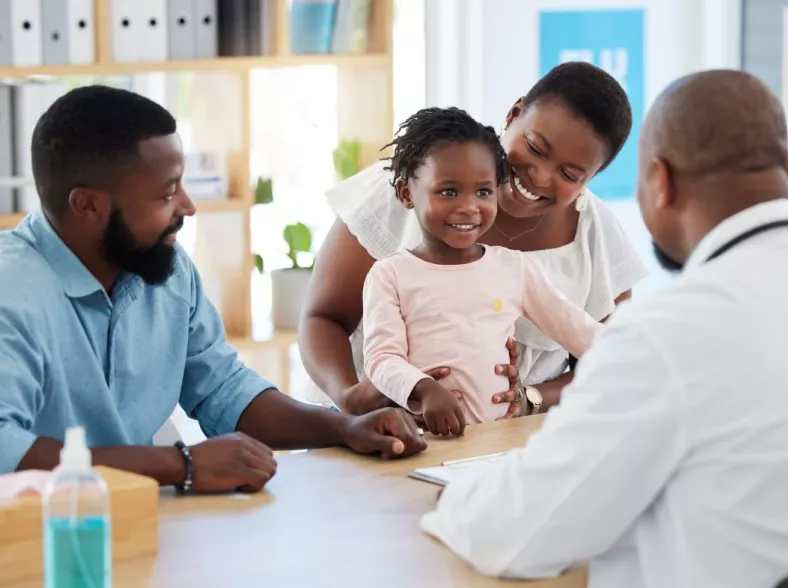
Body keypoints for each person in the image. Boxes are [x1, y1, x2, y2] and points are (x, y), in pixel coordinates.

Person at [420, 70, 788, 588]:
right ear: (787, 170)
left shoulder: (666, 333)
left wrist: (462, 498)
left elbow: (516, 537)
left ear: (659, 180)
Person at [0, 85, 427, 491]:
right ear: (88, 205)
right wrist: (181, 466)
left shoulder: (166, 270)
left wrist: (343, 426)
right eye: (167, 193)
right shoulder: (13, 289)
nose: (187, 205)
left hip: (131, 524)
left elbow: (223, 390)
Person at [299, 62, 648, 420]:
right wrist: (352, 399)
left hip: (504, 443)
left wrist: (529, 398)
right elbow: (324, 318)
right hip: (374, 431)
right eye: (535, 147)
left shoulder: (594, 235)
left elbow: (610, 358)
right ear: (514, 113)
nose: (540, 177)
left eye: (569, 174)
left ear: (592, 177)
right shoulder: (412, 183)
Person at [363, 107, 602, 437]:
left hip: (497, 443)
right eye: (448, 191)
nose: (469, 206)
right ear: (407, 194)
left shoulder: (514, 268)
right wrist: (424, 390)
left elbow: (581, 332)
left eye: (484, 191)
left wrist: (648, 353)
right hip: (422, 441)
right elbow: (381, 358)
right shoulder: (389, 275)